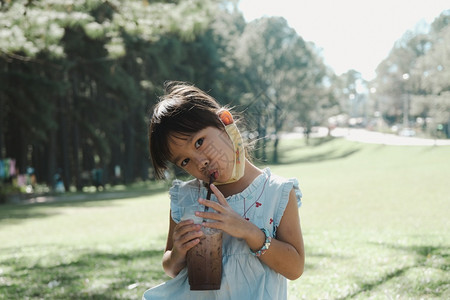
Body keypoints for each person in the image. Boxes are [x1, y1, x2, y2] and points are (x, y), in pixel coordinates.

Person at [143, 81, 304, 299]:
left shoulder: (277, 193)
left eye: (199, 142)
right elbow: (171, 269)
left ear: (224, 122)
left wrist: (249, 232)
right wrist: (177, 253)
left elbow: (294, 268)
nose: (200, 162)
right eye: (185, 161)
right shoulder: (187, 198)